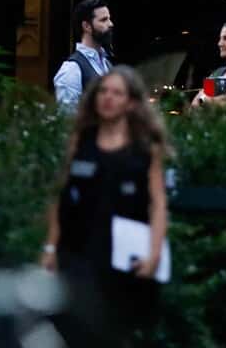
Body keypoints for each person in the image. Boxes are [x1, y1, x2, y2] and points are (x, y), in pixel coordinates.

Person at [40, 66, 171, 331]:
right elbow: (61, 193)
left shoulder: (145, 148)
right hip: (78, 249)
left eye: (117, 93)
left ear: (131, 102)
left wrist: (154, 253)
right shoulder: (82, 139)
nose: (108, 98)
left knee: (116, 329)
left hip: (122, 255)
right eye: (103, 91)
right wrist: (51, 248)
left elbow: (157, 203)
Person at [53, 0, 114, 111]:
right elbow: (67, 119)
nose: (110, 24)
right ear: (86, 26)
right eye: (104, 20)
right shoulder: (72, 69)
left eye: (109, 19)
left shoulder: (107, 64)